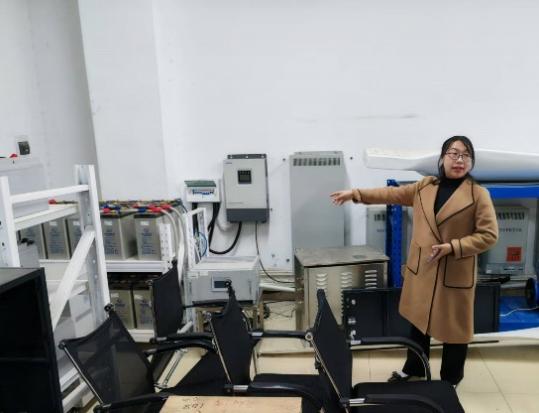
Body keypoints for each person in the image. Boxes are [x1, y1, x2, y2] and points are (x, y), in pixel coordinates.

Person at [330, 136, 498, 387]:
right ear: (442, 158)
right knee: (419, 323)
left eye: (466, 155)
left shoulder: (478, 194)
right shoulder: (424, 187)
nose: (459, 160)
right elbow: (391, 194)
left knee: (455, 330)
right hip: (424, 269)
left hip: (454, 272)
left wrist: (453, 247)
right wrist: (356, 194)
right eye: (453, 153)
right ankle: (414, 368)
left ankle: (450, 380)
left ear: (471, 162)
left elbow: (489, 235)